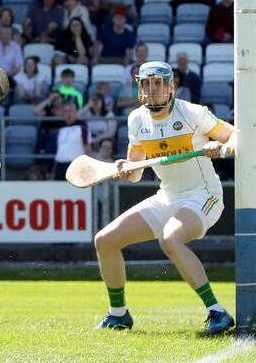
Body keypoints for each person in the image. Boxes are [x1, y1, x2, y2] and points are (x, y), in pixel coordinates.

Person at [93, 61, 236, 335]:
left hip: (203, 195)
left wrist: (222, 147)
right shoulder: (136, 119)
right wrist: (125, 169)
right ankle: (118, 314)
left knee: (170, 239)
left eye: (158, 82)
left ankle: (216, 311)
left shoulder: (192, 112)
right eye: (146, 83)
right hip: (168, 197)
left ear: (171, 86)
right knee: (105, 240)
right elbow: (136, 171)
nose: (152, 88)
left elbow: (237, 137)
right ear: (140, 87)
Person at [52, 100, 91, 180]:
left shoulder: (83, 128)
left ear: (75, 112)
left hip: (76, 166)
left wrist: (86, 168)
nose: (68, 113)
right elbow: (60, 151)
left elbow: (88, 148)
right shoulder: (62, 129)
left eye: (70, 111)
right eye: (65, 111)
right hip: (60, 166)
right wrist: (54, 170)